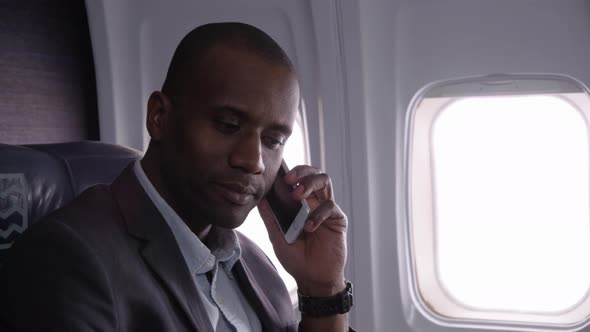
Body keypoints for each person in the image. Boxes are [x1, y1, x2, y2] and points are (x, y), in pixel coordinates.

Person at [0, 22, 353, 331]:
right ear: (159, 117)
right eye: (228, 125)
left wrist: (323, 290)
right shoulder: (67, 259)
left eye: (273, 140)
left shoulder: (254, 264)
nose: (253, 161)